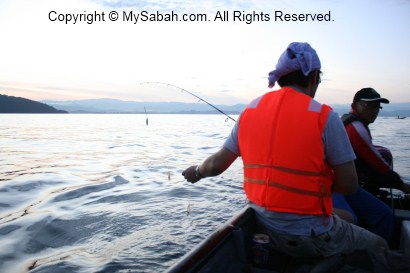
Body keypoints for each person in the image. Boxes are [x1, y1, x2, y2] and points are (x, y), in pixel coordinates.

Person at [182, 42, 391, 272]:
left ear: (281, 77)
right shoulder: (324, 116)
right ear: (313, 77)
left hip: (264, 228)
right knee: (378, 245)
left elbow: (216, 164)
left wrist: (197, 171)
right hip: (310, 234)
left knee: (346, 219)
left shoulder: (249, 111)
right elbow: (349, 185)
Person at [340, 88, 410, 195]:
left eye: (377, 107)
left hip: (345, 177)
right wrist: (401, 185)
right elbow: (377, 163)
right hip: (344, 183)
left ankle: (371, 189)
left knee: (383, 151)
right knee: (384, 212)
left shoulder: (349, 122)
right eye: (369, 106)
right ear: (354, 106)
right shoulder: (356, 127)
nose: (374, 110)